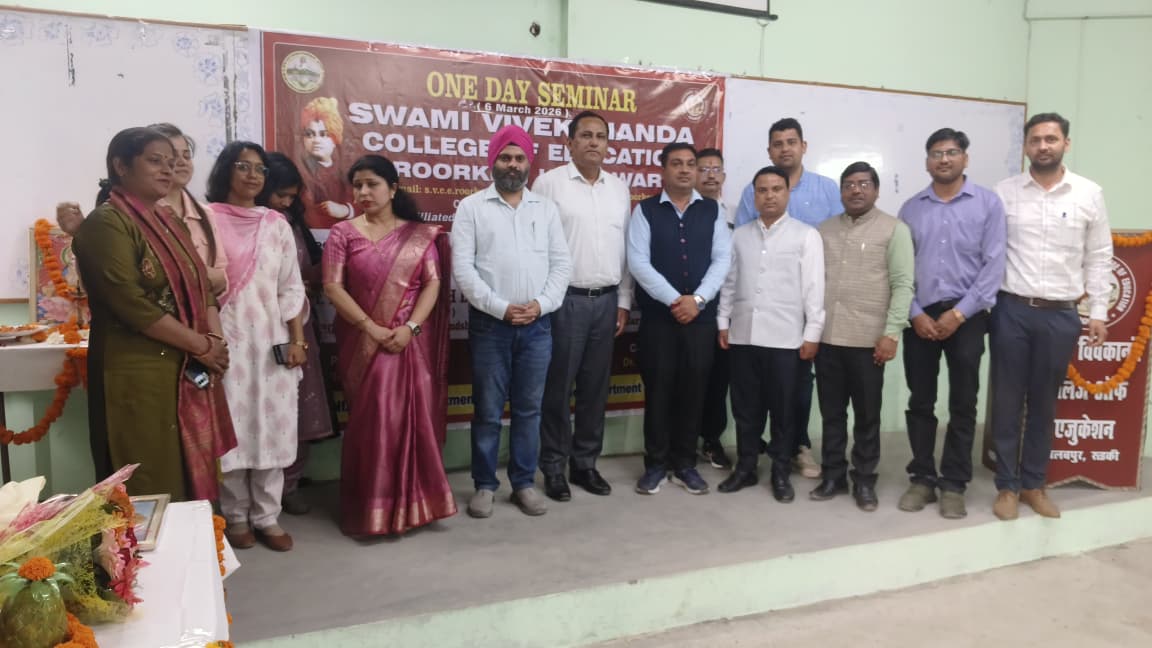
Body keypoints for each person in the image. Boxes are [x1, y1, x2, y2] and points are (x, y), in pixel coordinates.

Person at [71, 126, 236, 501]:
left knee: (187, 471)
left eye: (172, 162)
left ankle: (195, 538)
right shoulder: (106, 223)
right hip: (137, 373)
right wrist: (201, 345)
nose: (167, 169)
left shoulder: (170, 222)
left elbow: (202, 286)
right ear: (121, 166)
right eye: (155, 161)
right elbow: (130, 303)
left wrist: (214, 341)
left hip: (186, 366)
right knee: (148, 476)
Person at [322, 154, 457, 536]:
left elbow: (432, 283)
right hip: (364, 345)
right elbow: (332, 287)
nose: (364, 192)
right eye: (358, 186)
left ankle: (416, 507)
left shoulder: (419, 235)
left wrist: (411, 328)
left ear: (393, 188)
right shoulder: (343, 233)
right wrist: (370, 328)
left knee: (414, 424)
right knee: (374, 425)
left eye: (372, 184)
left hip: (410, 344)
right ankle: (374, 511)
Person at [989, 112, 1113, 521]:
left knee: (1044, 403)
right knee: (1007, 403)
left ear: (1065, 144)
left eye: (1051, 139)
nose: (1043, 146)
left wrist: (1098, 311)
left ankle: (1033, 484)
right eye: (1036, 140)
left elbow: (1099, 255)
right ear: (1026, 146)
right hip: (1011, 310)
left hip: (1061, 315)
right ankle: (1007, 486)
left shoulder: (1088, 194)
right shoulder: (1004, 193)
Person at [451, 125, 572, 518]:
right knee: (487, 411)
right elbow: (463, 270)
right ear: (493, 161)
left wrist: (540, 304)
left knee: (529, 410)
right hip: (491, 326)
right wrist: (501, 307)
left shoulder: (545, 209)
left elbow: (561, 265)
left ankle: (523, 483)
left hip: (538, 326)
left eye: (519, 158)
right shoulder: (471, 208)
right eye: (505, 157)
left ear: (529, 163)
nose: (513, 164)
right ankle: (485, 485)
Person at [897, 129, 1006, 520]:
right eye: (936, 153)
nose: (944, 159)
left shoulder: (988, 204)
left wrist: (959, 313)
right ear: (927, 161)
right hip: (920, 317)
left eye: (952, 152)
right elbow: (900, 269)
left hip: (968, 317)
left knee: (963, 402)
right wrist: (915, 313)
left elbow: (994, 266)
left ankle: (954, 483)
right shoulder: (911, 209)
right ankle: (923, 478)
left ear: (965, 158)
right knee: (920, 401)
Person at [207, 141, 308, 552]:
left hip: (271, 342)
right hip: (228, 340)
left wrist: (297, 339)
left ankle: (267, 517)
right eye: (243, 166)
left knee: (274, 427)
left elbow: (291, 287)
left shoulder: (275, 223)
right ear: (225, 171)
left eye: (260, 169)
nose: (253, 176)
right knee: (234, 429)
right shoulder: (206, 219)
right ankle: (235, 516)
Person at [532, 110, 632, 501]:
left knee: (595, 388)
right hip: (564, 302)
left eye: (600, 136)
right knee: (557, 389)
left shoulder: (618, 189)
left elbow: (625, 250)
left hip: (606, 301)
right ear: (569, 143)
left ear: (608, 145)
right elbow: (536, 244)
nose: (594, 142)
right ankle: (553, 466)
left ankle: (585, 464)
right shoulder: (549, 184)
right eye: (586, 135)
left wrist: (623, 300)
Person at [735, 118, 842, 479]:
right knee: (752, 398)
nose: (785, 149)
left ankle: (797, 449)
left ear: (803, 146)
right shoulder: (751, 197)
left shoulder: (826, 190)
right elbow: (741, 254)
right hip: (755, 318)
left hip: (804, 311)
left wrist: (814, 324)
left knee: (796, 391)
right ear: (769, 150)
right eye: (778, 143)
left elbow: (834, 247)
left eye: (791, 142)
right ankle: (751, 460)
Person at [627, 142, 731, 496]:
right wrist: (676, 300)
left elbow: (722, 260)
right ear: (663, 170)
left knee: (693, 393)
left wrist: (697, 300)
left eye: (691, 164)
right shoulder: (645, 211)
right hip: (659, 320)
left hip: (700, 321)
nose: (685, 170)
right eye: (677, 163)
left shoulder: (712, 211)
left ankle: (685, 464)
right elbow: (638, 263)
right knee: (658, 392)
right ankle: (656, 465)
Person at [810, 162, 914, 511]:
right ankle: (833, 476)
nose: (856, 190)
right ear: (841, 191)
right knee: (832, 415)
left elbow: (903, 284)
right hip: (828, 339)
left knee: (867, 417)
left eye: (864, 184)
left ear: (876, 190)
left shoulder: (894, 229)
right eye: (849, 184)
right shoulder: (824, 230)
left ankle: (865, 480)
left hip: (869, 342)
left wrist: (892, 333)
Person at [717, 167, 824, 502]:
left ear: (787, 193)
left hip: (786, 339)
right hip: (744, 336)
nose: (769, 196)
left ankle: (780, 470)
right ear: (754, 196)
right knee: (745, 409)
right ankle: (746, 467)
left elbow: (814, 289)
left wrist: (813, 333)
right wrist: (723, 321)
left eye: (776, 189)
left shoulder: (806, 236)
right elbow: (730, 282)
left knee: (783, 410)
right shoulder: (740, 235)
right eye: (762, 190)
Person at [58, 123, 229, 299]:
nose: (180, 162)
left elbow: (221, 277)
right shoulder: (120, 214)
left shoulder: (204, 213)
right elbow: (109, 285)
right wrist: (82, 235)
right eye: (156, 160)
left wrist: (203, 282)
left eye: (186, 155)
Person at [260, 152, 337, 516]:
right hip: (259, 327)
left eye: (292, 197)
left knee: (300, 408)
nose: (286, 202)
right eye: (281, 195)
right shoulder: (246, 224)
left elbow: (305, 271)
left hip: (299, 327)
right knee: (263, 409)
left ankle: (289, 484)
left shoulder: (291, 223)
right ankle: (259, 494)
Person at [694, 147, 735, 470]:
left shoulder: (736, 213)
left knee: (718, 380)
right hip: (691, 307)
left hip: (727, 308)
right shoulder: (684, 211)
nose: (710, 175)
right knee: (687, 377)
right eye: (703, 168)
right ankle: (681, 440)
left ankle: (711, 439)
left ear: (723, 176)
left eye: (715, 169)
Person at [297, 97, 355, 229]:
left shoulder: (345, 172)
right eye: (310, 134)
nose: (316, 140)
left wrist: (346, 210)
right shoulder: (301, 173)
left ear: (335, 138)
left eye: (323, 134)